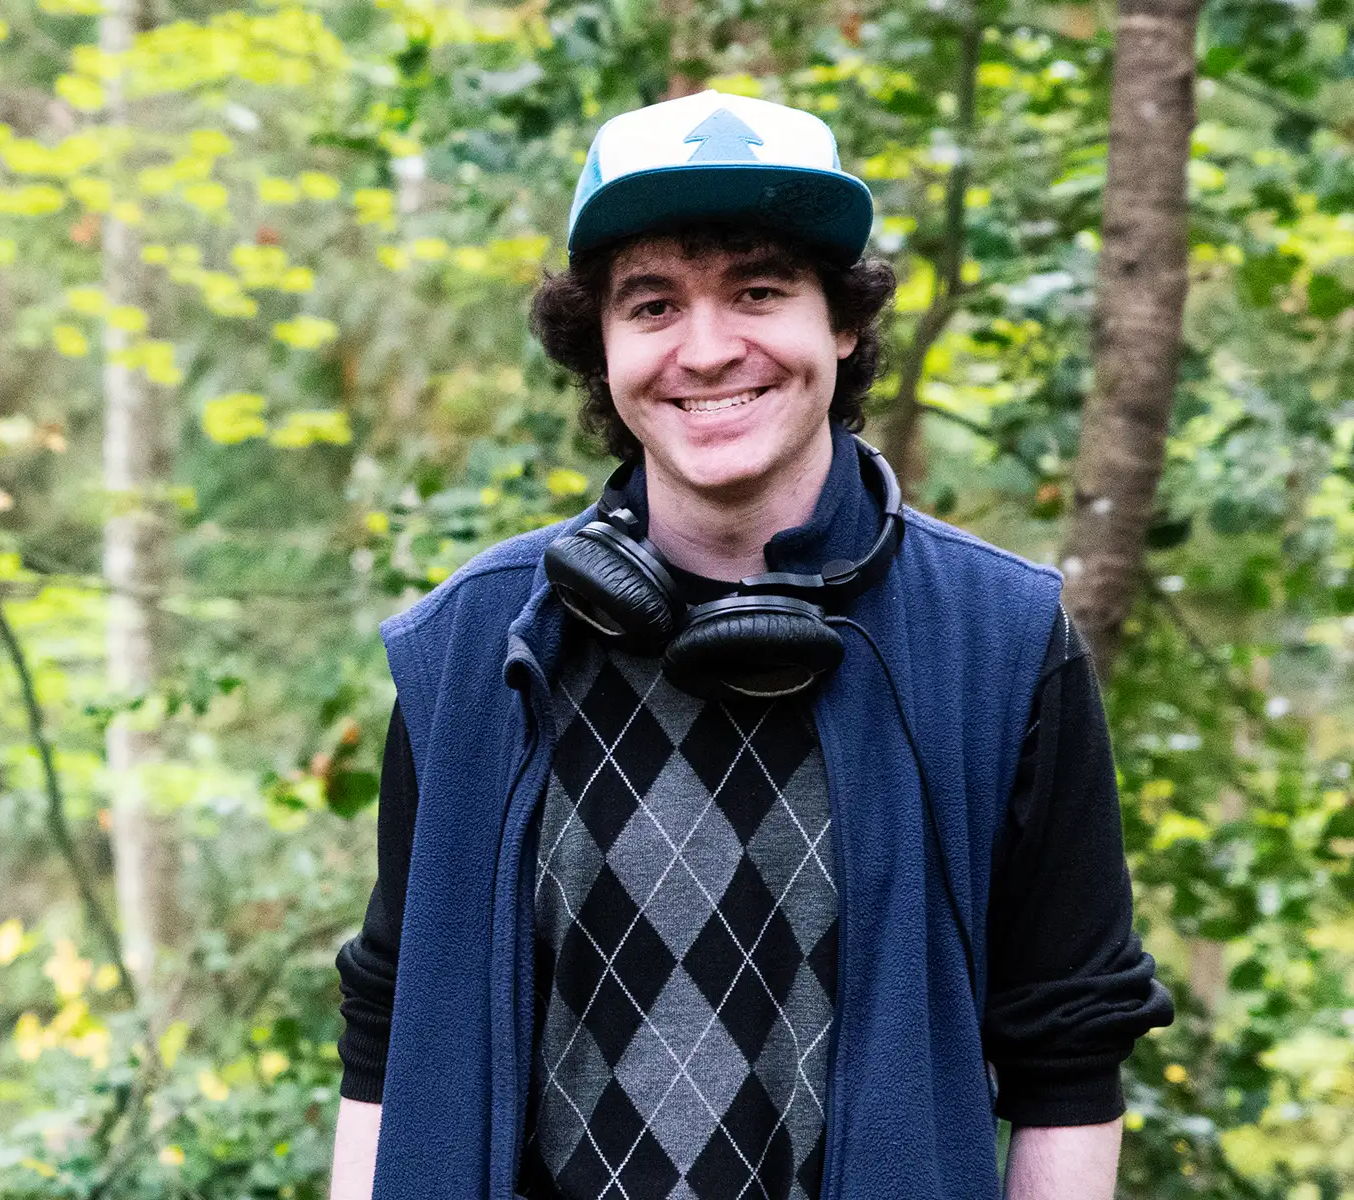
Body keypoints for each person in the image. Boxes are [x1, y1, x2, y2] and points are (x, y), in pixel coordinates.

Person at [329, 89, 1173, 1200]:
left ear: (843, 321)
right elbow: (390, 1026)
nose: (708, 349)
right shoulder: (470, 649)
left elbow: (1068, 1055)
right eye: (652, 305)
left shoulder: (999, 643)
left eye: (759, 291)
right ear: (603, 348)